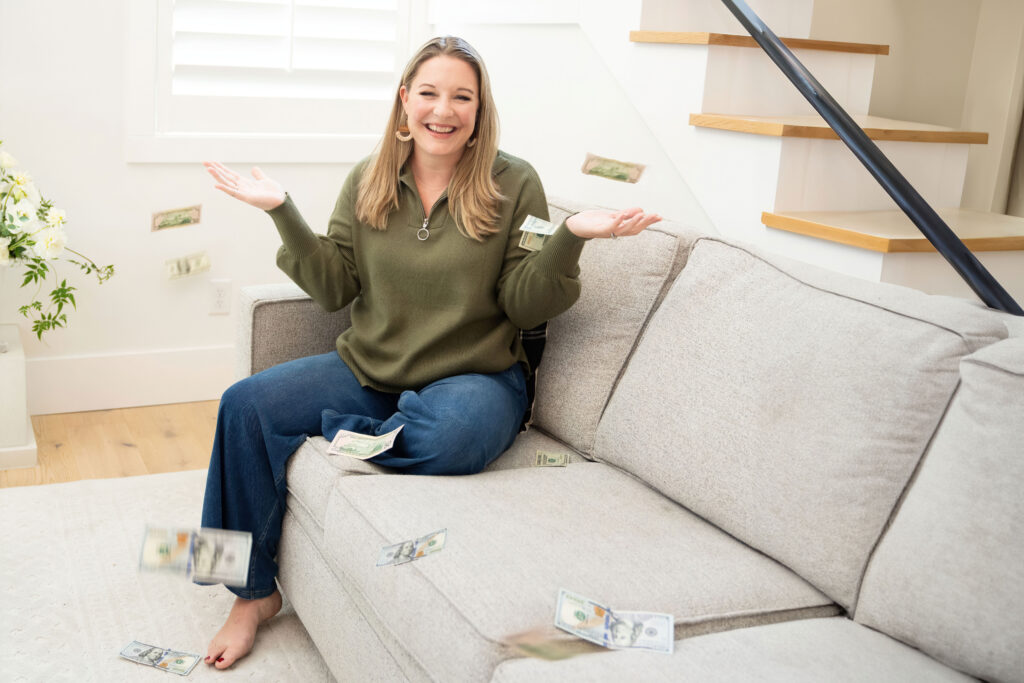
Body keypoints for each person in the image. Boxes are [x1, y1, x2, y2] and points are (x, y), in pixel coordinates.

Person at [199, 35, 662, 670]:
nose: (444, 110)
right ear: (404, 101)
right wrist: (282, 212)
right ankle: (247, 594)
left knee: (453, 436)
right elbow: (336, 287)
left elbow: (525, 305)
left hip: (475, 377)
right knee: (242, 405)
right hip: (370, 368)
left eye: (462, 97)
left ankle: (351, 435)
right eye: (430, 93)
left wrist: (571, 239)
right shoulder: (368, 177)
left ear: (480, 108)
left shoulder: (514, 181)